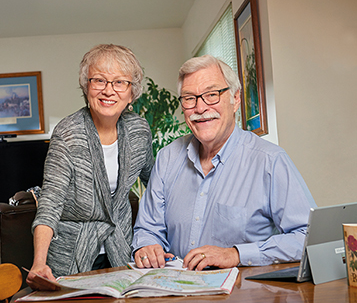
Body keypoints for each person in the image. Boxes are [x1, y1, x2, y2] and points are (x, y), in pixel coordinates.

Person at [132, 55, 316, 271]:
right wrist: (147, 246)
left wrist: (237, 254)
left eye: (211, 95)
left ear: (235, 99)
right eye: (190, 98)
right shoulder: (167, 158)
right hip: (178, 295)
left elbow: (307, 237)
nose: (200, 108)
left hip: (244, 296)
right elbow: (147, 228)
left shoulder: (269, 161)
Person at [26, 44, 154, 287]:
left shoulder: (139, 131)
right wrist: (39, 262)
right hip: (72, 254)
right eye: (99, 80)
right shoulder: (68, 133)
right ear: (86, 87)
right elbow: (51, 201)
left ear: (132, 92)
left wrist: (157, 240)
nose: (109, 91)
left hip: (122, 250)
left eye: (120, 82)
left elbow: (157, 185)